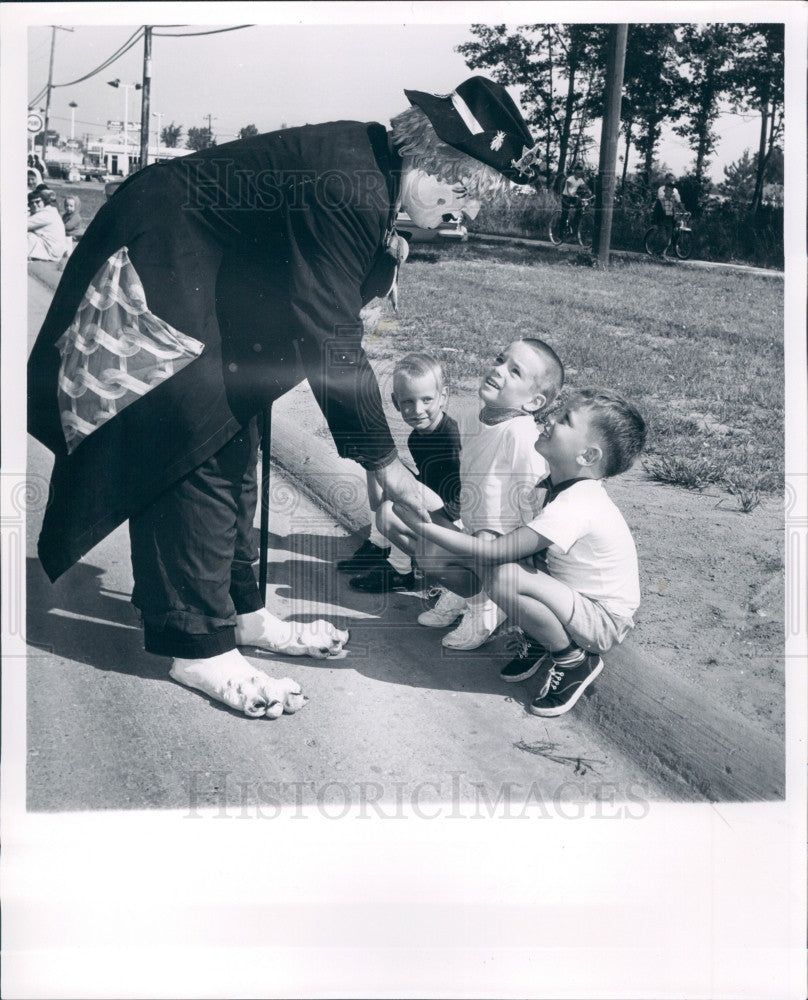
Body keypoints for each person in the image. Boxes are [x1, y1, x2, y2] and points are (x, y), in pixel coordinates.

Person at [28, 76, 545, 719]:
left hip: (208, 274)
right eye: (466, 192)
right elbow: (330, 334)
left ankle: (241, 613)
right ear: (434, 161)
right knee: (189, 445)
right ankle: (195, 643)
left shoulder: (375, 173)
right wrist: (385, 466)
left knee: (233, 442)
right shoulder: (351, 186)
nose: (465, 216)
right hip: (159, 262)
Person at [394, 388, 646, 717]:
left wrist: (425, 528)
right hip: (570, 597)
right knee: (508, 563)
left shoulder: (578, 503)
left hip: (603, 620)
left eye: (566, 421)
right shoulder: (547, 485)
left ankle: (573, 662)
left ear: (588, 456)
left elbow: (496, 552)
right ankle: (543, 638)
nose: (551, 420)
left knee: (503, 574)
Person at [397, 338, 563, 651]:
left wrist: (527, 556)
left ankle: (485, 608)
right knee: (421, 541)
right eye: (500, 360)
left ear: (534, 402)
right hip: (475, 528)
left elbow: (537, 497)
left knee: (434, 553)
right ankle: (467, 594)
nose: (498, 370)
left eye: (514, 372)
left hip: (503, 544)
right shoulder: (479, 417)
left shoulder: (521, 434)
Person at [348, 352, 462, 593]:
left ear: (444, 397)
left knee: (392, 509)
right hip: (436, 505)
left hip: (456, 519)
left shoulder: (450, 437)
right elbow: (427, 481)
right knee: (380, 468)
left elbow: (466, 493)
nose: (417, 410)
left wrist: (426, 518)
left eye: (427, 400)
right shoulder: (416, 438)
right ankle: (378, 544)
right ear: (396, 401)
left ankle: (401, 571)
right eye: (408, 402)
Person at [27, 190, 68, 261]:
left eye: (37, 202)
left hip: (52, 251)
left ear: (44, 201)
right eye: (31, 203)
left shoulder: (46, 214)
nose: (34, 205)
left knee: (27, 235)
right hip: (54, 248)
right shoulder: (49, 210)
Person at [653, 173, 683, 256]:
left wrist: (683, 209)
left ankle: (662, 255)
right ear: (666, 180)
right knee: (663, 239)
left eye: (672, 180)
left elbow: (678, 201)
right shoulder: (661, 189)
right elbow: (662, 201)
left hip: (670, 218)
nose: (671, 181)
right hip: (662, 217)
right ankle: (656, 252)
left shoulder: (675, 190)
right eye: (669, 180)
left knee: (668, 241)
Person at [559, 162, 592, 235]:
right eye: (577, 172)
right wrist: (572, 194)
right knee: (565, 214)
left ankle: (575, 225)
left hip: (573, 197)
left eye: (580, 172)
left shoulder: (580, 180)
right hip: (566, 197)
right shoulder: (570, 179)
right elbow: (568, 189)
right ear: (575, 172)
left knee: (579, 209)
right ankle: (560, 233)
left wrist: (589, 192)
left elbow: (585, 187)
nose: (579, 174)